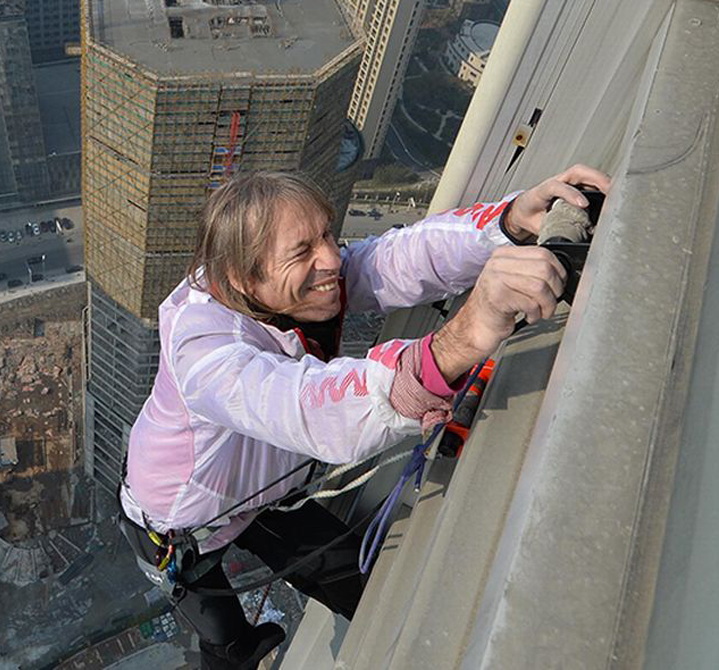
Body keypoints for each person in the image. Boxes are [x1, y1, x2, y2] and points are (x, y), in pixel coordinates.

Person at [119, 166, 611, 669]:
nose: (331, 257)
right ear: (245, 280)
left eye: (327, 234)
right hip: (179, 525)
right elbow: (308, 407)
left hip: (263, 495)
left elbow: (389, 260)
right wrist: (460, 340)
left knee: (364, 583)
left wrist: (509, 221)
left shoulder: (265, 282)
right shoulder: (204, 355)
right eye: (303, 252)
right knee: (227, 642)